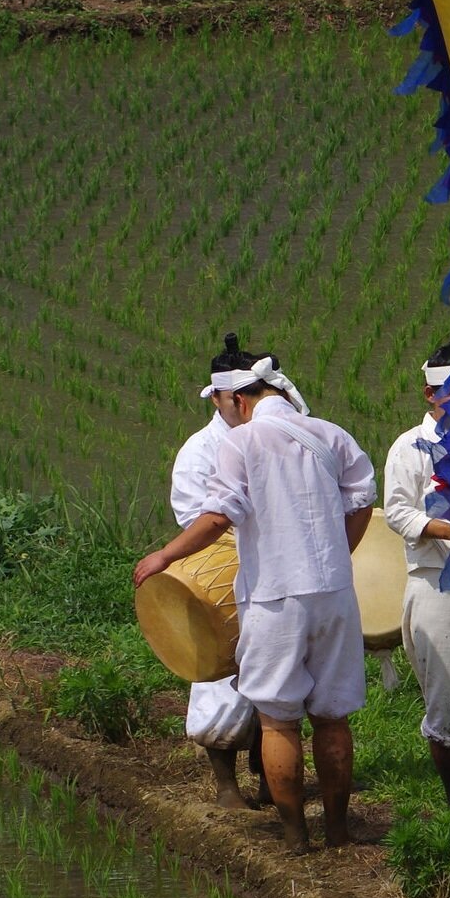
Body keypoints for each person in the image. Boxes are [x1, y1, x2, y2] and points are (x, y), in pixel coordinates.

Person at [134, 339, 374, 854]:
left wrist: (162, 557)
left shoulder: (240, 444)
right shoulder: (332, 435)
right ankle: (337, 831)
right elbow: (360, 502)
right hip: (334, 593)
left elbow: (218, 517)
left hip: (274, 598)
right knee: (332, 718)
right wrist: (337, 555)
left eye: (221, 405)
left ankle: (294, 836)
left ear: (237, 400)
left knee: (278, 719)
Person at [380, 335, 450, 804]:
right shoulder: (411, 446)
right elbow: (398, 512)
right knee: (447, 699)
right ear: (431, 393)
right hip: (439, 586)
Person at [168, 343, 262, 811]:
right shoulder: (198, 452)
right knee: (218, 680)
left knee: (277, 678)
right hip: (219, 576)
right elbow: (196, 517)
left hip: (271, 573)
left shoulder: (272, 435)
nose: (243, 405)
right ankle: (227, 787)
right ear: (217, 399)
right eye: (234, 398)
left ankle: (269, 777)